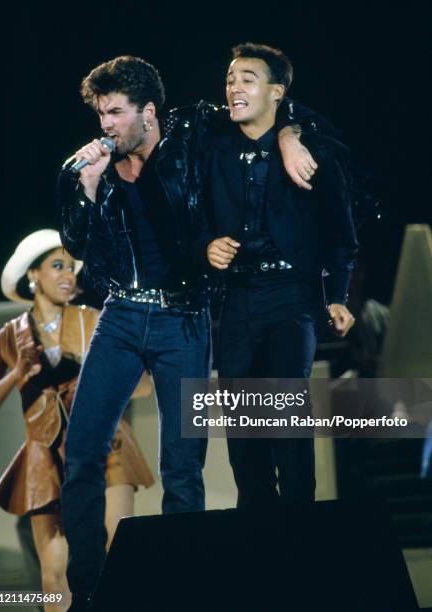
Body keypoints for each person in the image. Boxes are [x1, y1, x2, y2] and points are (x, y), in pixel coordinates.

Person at [57, 54, 333, 610]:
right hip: (120, 315)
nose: (105, 125)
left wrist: (289, 138)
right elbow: (78, 249)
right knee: (82, 454)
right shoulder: (83, 167)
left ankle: (181, 589)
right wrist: (84, 189)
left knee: (182, 465)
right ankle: (88, 588)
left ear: (149, 111)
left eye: (115, 112)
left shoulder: (190, 132)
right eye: (100, 114)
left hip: (183, 317)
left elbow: (271, 110)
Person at [204, 42, 358, 508]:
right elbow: (187, 221)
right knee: (243, 438)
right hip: (235, 301)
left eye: (247, 79)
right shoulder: (210, 148)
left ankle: (300, 540)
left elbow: (340, 230)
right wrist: (204, 247)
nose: (234, 88)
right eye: (230, 79)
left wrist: (339, 295)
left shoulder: (312, 152)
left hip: (292, 296)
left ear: (277, 91)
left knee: (286, 420)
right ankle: (259, 548)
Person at [0, 230, 154, 612]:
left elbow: (143, 387)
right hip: (43, 456)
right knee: (54, 572)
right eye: (57, 266)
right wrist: (17, 376)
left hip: (104, 445)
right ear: (33, 275)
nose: (69, 275)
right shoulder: (10, 337)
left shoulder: (94, 321)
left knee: (118, 545)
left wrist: (94, 368)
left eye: (72, 268)